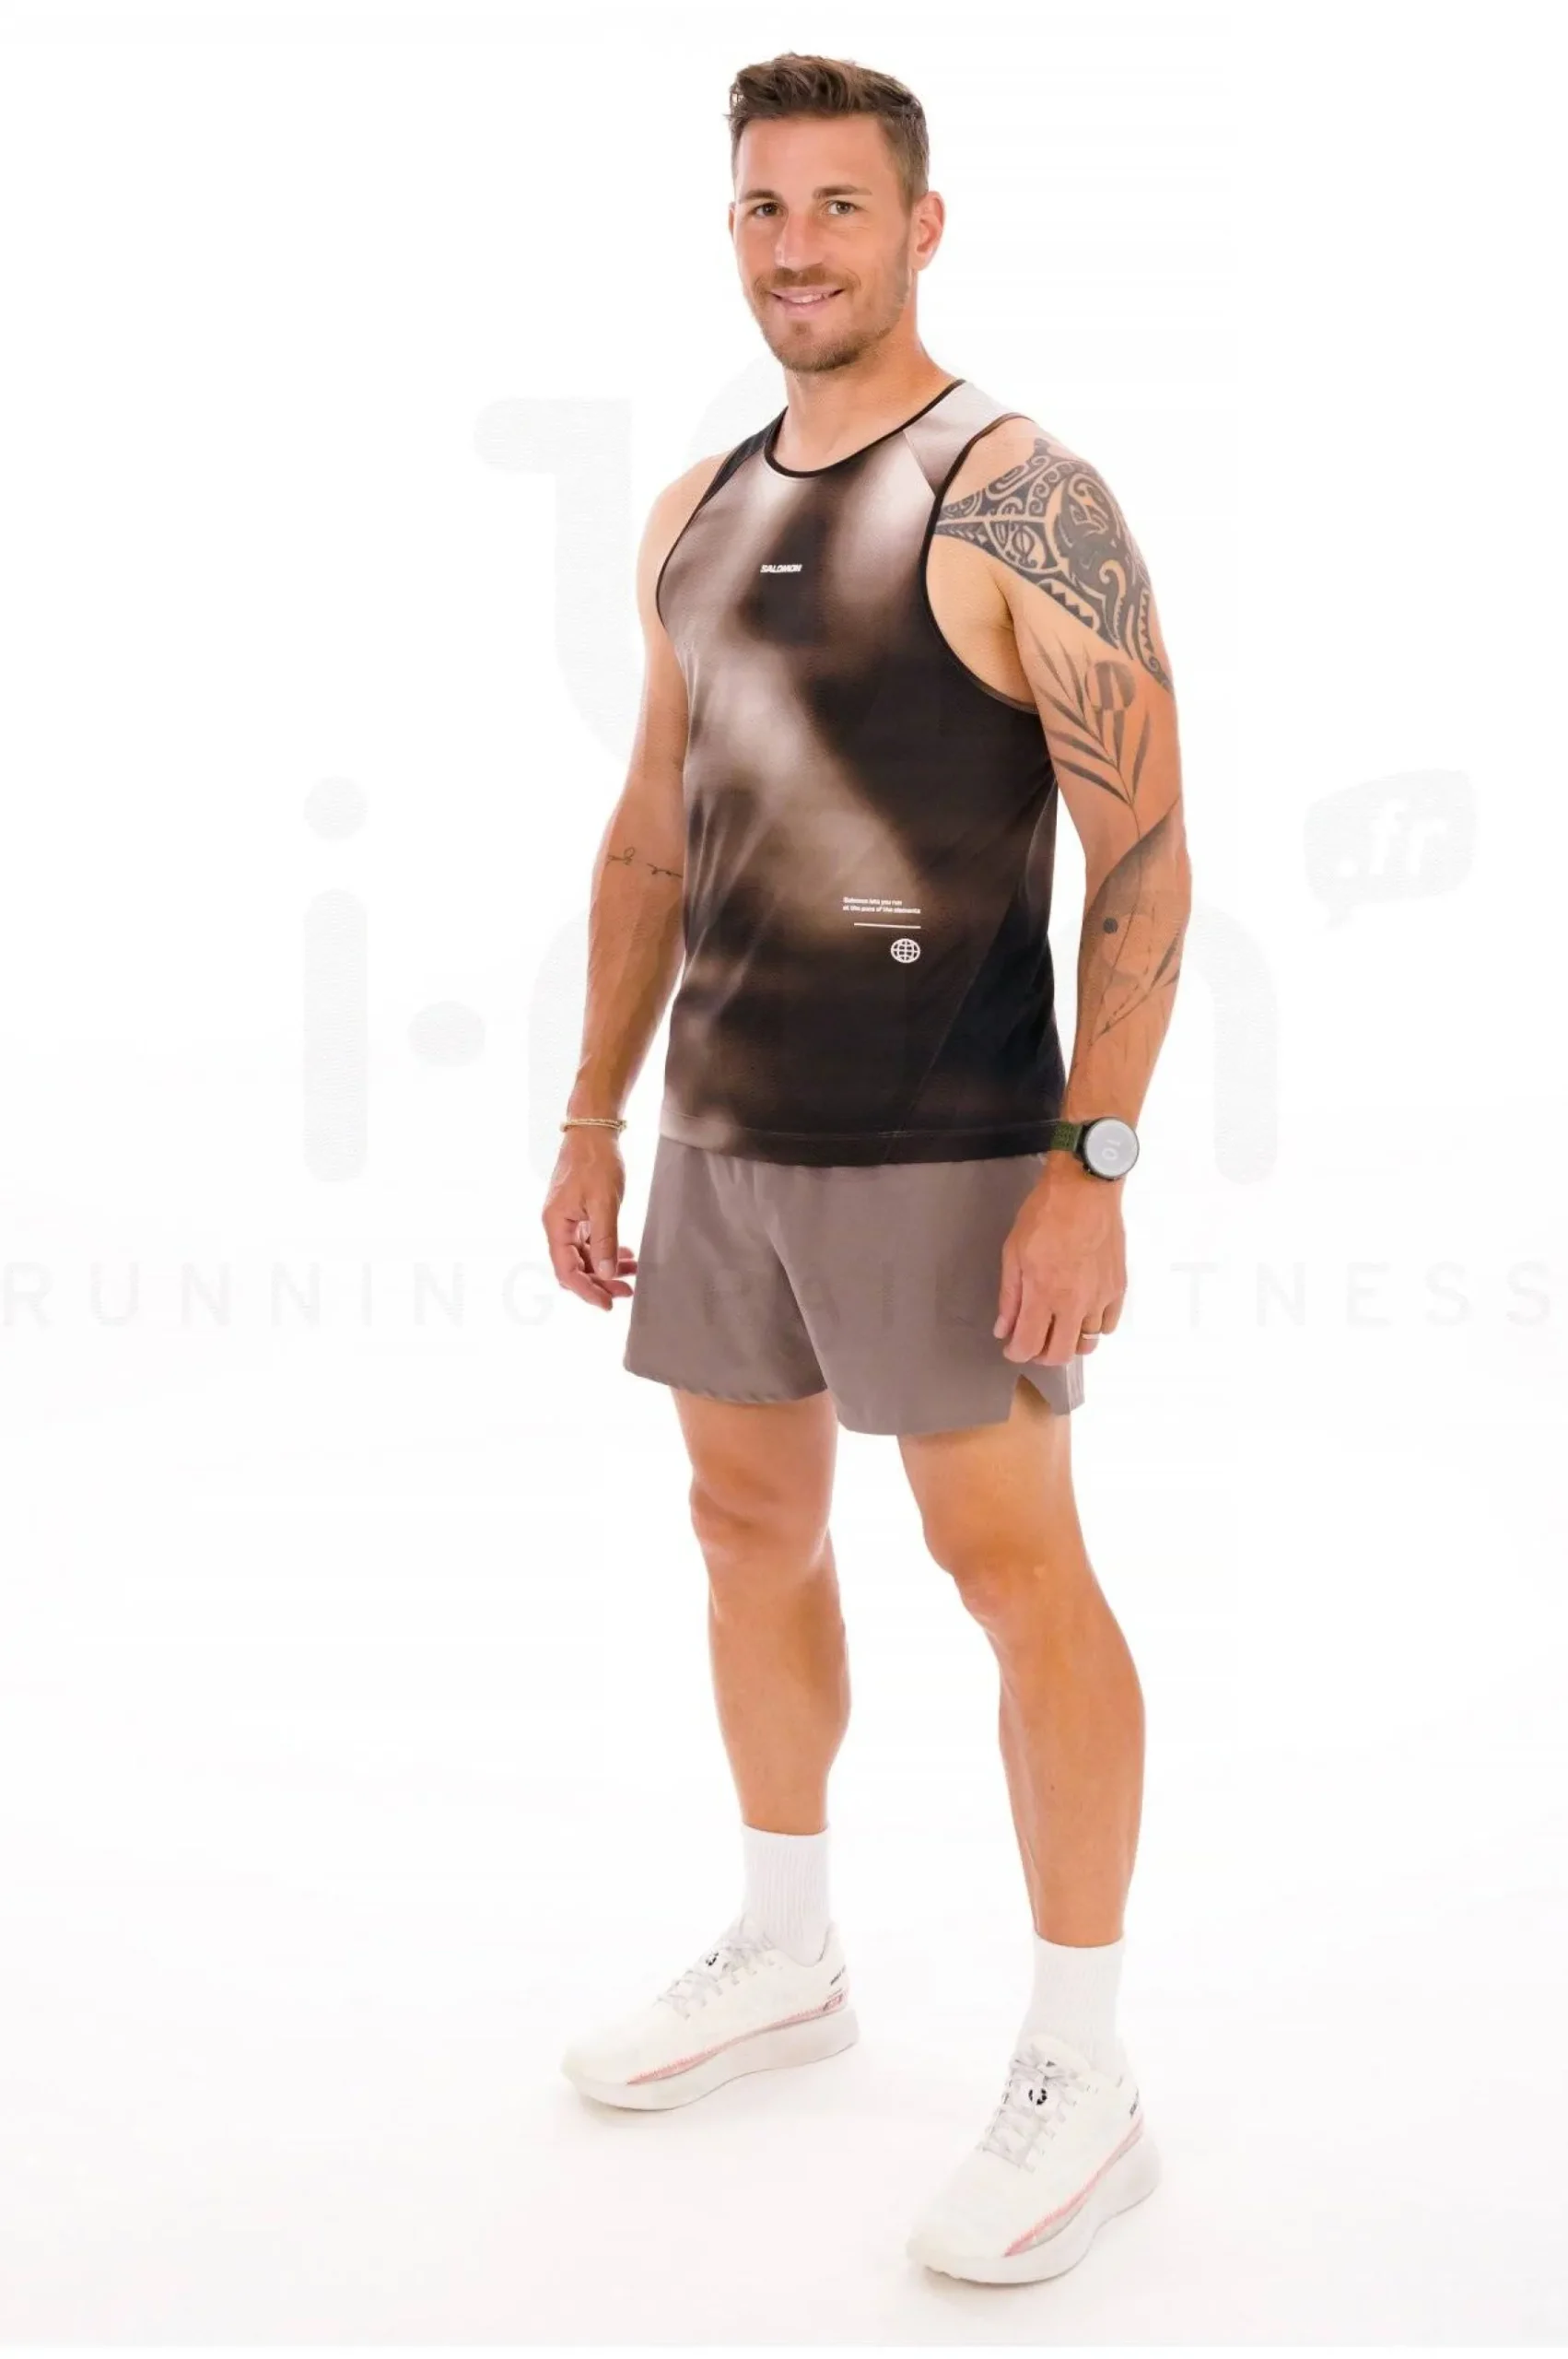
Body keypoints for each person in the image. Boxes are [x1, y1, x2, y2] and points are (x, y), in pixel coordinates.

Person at [541, 49, 1191, 2287]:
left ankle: (1082, 2064)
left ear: (921, 226)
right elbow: (651, 828)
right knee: (743, 1528)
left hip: (947, 1137)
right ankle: (786, 1946)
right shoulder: (693, 507)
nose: (795, 246)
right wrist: (590, 1110)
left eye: (838, 205)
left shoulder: (1018, 496)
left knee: (1012, 1572)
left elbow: (1143, 851)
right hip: (723, 1126)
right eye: (762, 206)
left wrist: (1089, 1164)